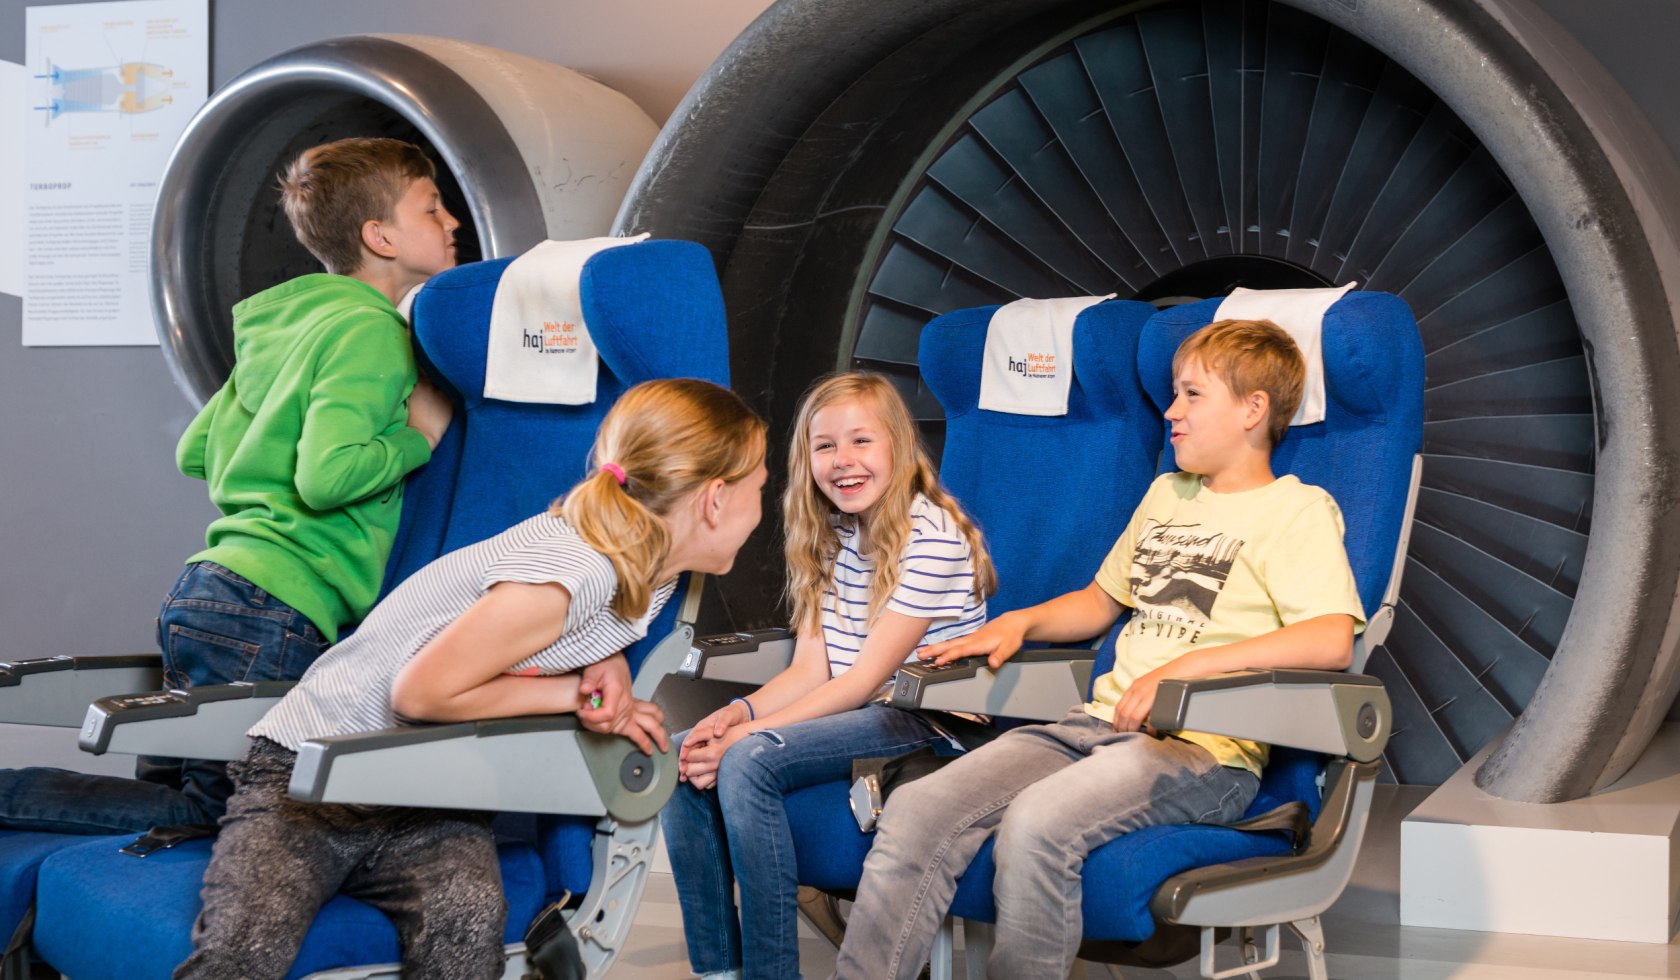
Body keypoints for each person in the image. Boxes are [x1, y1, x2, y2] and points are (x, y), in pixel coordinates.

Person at [173, 378, 767, 980]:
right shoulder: (577, 568)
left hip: (428, 795)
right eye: (761, 488)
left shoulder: (642, 570)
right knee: (241, 952)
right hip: (309, 782)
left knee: (468, 920)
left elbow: (580, 625)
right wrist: (575, 696)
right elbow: (421, 692)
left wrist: (604, 662)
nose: (761, 511)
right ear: (715, 500)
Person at [835, 319, 1368, 979]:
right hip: (1094, 725)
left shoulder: (1296, 511)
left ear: (1253, 409)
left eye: (1192, 395)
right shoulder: (1168, 495)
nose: (1170, 411)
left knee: (1038, 824)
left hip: (1203, 750)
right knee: (918, 809)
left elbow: (1329, 638)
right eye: (1174, 394)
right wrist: (1020, 624)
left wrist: (1183, 670)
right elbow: (1099, 601)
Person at [0, 137, 459, 836]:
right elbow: (328, 476)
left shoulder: (287, 324)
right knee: (219, 814)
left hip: (207, 589)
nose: (452, 221)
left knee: (169, 821)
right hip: (274, 607)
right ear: (381, 236)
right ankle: (10, 795)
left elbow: (195, 450)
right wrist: (417, 436)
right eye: (432, 207)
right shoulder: (370, 333)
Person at [664, 372, 996, 980]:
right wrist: (738, 715)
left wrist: (747, 740)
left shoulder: (932, 535)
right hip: (858, 711)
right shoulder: (833, 533)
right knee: (682, 755)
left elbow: (866, 679)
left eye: (861, 442)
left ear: (897, 445)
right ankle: (719, 971)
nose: (843, 461)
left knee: (749, 760)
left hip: (927, 717)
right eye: (825, 446)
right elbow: (812, 668)